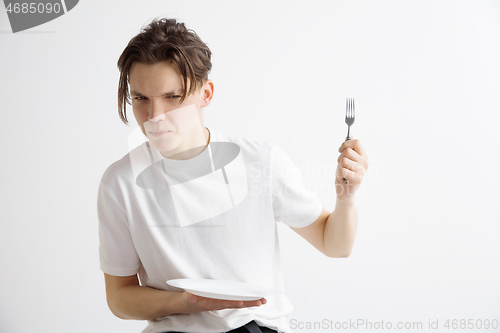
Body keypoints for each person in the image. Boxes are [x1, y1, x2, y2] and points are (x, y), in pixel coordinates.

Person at [97, 17, 369, 333]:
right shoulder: (120, 183)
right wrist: (184, 303)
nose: (154, 116)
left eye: (173, 96)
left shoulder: (260, 162)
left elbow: (334, 245)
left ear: (206, 94)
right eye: (141, 98)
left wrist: (346, 200)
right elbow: (119, 296)